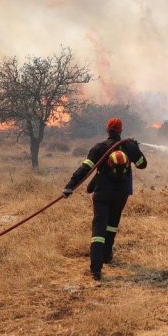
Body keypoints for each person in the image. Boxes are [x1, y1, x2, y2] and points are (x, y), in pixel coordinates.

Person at [62, 117, 147, 280]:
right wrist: (136, 148)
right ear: (121, 130)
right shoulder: (129, 146)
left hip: (102, 193)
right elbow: (142, 164)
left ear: (107, 130)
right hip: (121, 194)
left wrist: (69, 186)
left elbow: (85, 169)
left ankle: (96, 268)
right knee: (112, 226)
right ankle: (107, 256)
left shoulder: (99, 148)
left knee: (99, 229)